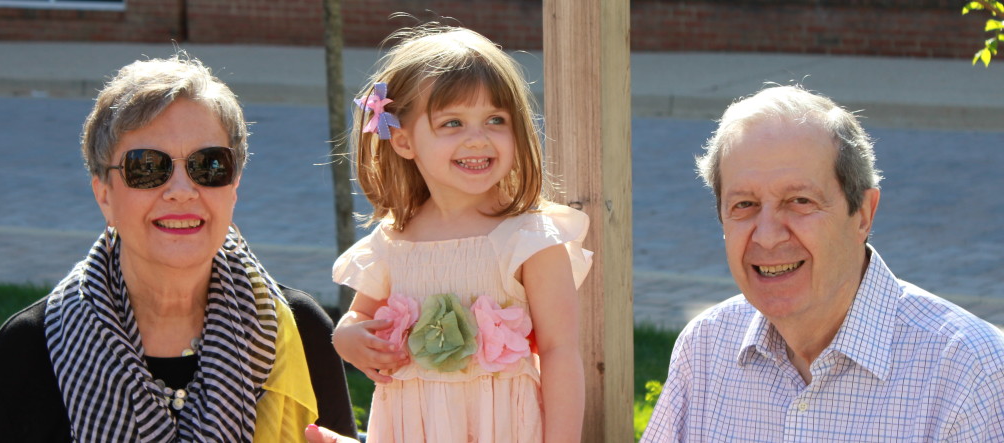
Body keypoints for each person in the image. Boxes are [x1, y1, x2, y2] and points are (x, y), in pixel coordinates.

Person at [0, 53, 358, 442]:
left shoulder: (301, 331)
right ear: (104, 194)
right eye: (147, 166)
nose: (181, 191)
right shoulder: (28, 351)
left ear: (234, 187)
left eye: (209, 165)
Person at [641, 85, 1004, 441]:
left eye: (800, 201)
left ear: (863, 215)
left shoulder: (969, 373)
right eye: (744, 205)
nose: (767, 236)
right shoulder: (705, 348)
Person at [328, 25, 593, 442]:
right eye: (453, 122)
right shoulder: (394, 240)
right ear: (403, 141)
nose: (478, 139)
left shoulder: (529, 238)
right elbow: (360, 315)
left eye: (495, 120)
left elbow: (560, 351)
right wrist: (347, 337)